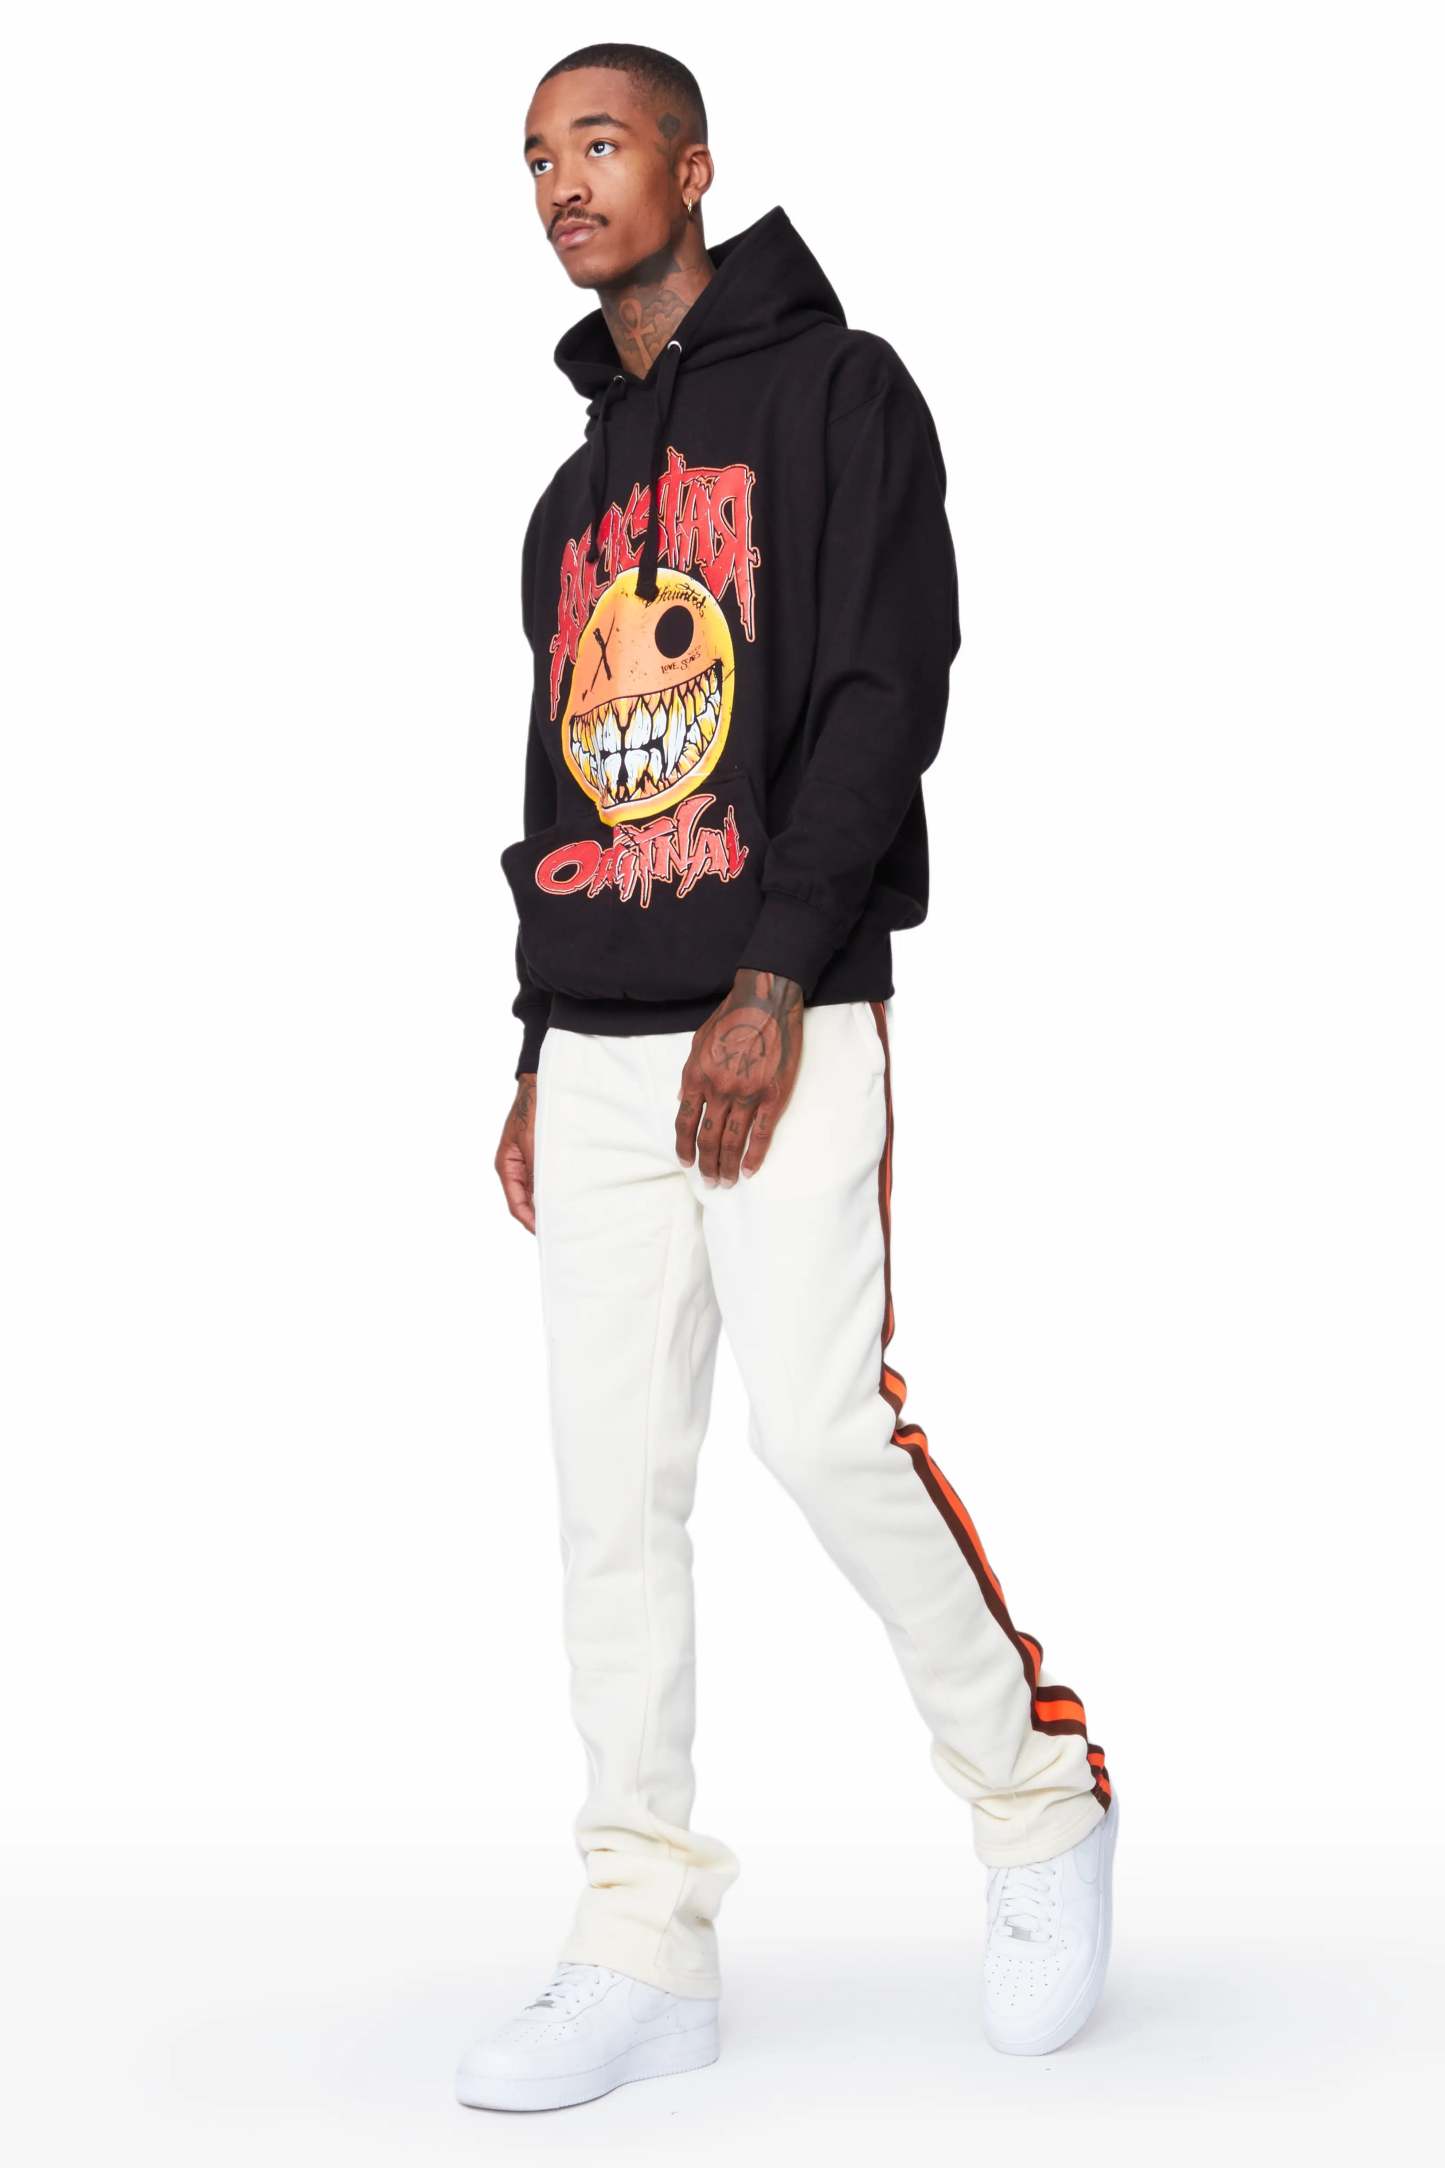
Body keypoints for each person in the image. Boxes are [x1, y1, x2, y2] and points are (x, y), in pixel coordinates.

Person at [458, 41, 1118, 2113]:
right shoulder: (571, 501)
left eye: (599, 143)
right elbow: (563, 785)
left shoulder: (843, 395)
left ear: (693, 167)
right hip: (596, 1038)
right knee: (608, 1498)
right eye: (534, 158)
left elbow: (879, 691)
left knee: (825, 1430)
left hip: (783, 1008)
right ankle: (639, 1934)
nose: (563, 185)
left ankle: (1038, 1797)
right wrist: (534, 1038)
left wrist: (772, 970)